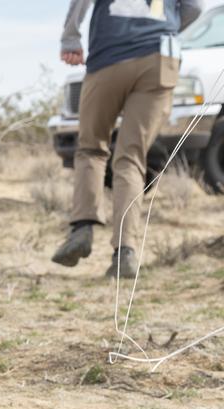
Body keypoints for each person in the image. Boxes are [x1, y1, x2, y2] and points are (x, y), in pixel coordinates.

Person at [52, 0, 202, 278]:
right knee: (131, 158)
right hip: (159, 58)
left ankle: (82, 230)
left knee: (91, 148)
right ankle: (125, 252)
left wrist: (70, 38)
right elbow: (194, 7)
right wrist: (164, 28)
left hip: (110, 55)